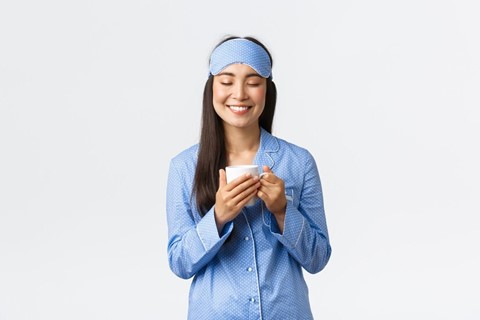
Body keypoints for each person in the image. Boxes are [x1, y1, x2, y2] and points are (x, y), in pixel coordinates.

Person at [166, 36, 332, 319]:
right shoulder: (184, 167)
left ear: (267, 90)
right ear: (212, 89)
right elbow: (180, 263)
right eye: (227, 81)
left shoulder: (298, 162)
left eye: (253, 82)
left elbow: (317, 259)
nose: (240, 93)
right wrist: (218, 217)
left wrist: (283, 211)